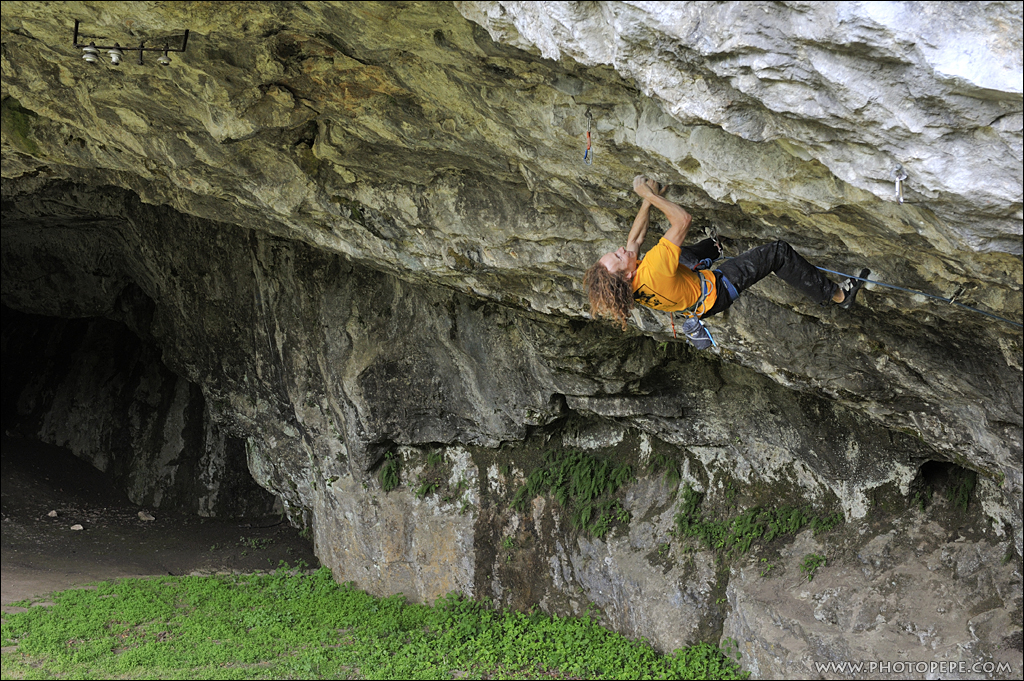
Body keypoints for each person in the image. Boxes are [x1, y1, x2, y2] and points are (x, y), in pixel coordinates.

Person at [584, 175, 869, 344]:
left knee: (678, 254)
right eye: (618, 257)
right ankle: (839, 296)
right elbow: (682, 220)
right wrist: (648, 194)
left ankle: (716, 247)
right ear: (627, 275)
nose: (621, 250)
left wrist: (648, 199)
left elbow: (634, 240)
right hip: (716, 291)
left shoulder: (629, 285)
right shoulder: (653, 269)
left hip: (690, 297)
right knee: (778, 253)